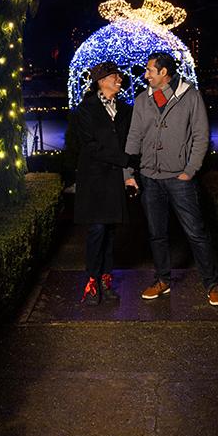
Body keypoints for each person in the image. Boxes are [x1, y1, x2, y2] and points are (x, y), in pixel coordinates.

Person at [125, 51, 218, 306]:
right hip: (149, 177)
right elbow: (133, 137)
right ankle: (162, 280)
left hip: (180, 178)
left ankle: (212, 284)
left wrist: (189, 170)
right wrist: (128, 172)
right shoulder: (141, 101)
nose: (145, 74)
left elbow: (201, 136)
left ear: (164, 73)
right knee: (156, 234)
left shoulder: (190, 97)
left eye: (150, 70)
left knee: (196, 233)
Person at [74, 61, 133, 305]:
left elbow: (129, 140)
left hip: (115, 179)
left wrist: (129, 171)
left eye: (118, 76)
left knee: (109, 230)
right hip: (95, 180)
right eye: (114, 76)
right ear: (101, 81)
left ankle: (106, 281)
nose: (119, 79)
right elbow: (90, 147)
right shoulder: (85, 110)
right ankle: (91, 282)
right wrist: (125, 160)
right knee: (97, 229)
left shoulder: (125, 110)